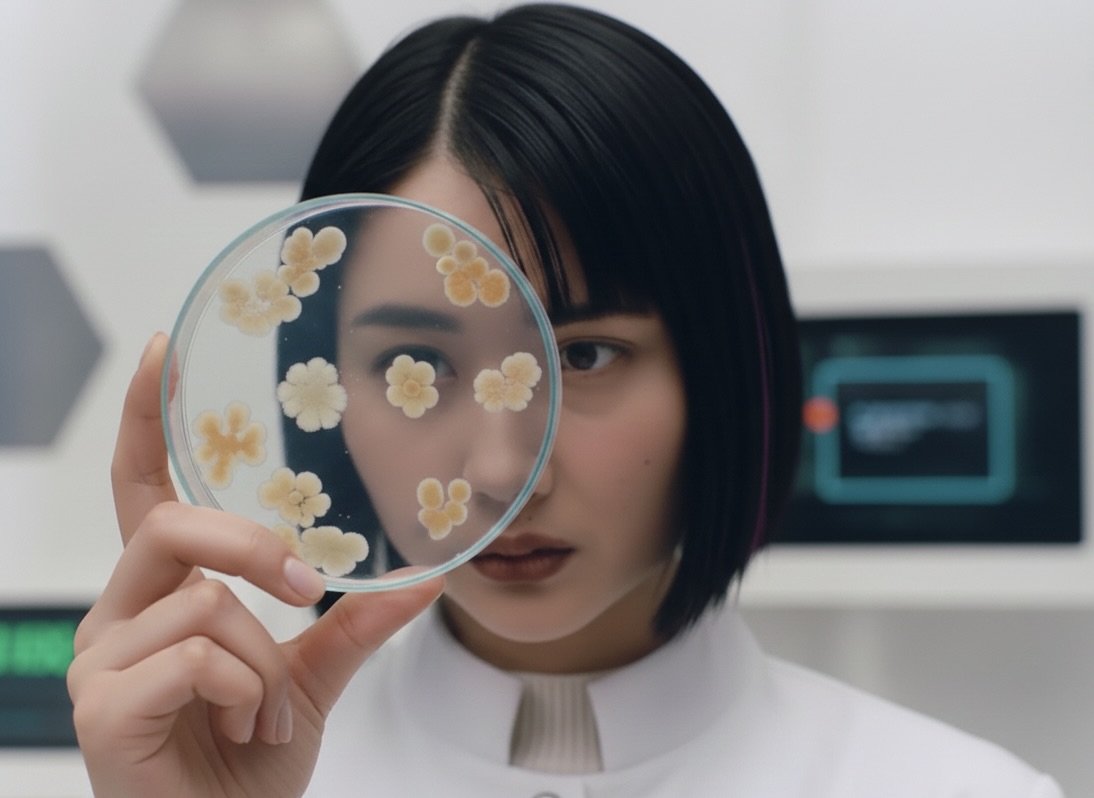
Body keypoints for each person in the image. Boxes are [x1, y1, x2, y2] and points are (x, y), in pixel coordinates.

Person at [67, 4, 1063, 796]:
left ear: (724, 365)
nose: (501, 471)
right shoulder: (219, 778)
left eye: (584, 355)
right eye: (415, 362)